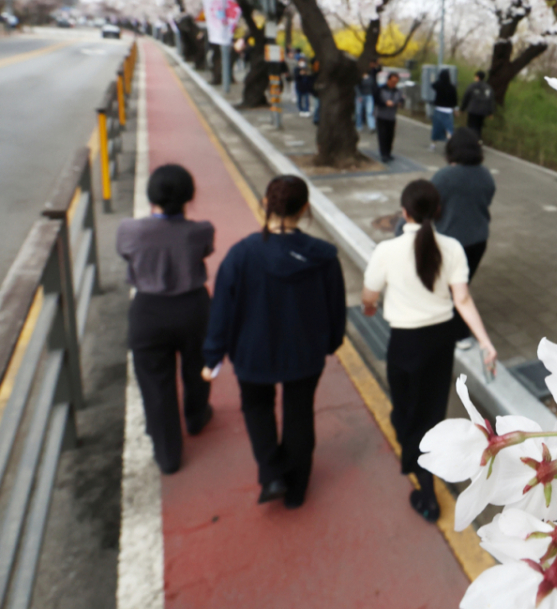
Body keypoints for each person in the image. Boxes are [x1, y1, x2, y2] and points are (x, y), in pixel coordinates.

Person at [202, 176, 346, 509]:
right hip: (304, 351)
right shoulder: (323, 257)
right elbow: (335, 306)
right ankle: (297, 489)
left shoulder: (240, 256)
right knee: (299, 414)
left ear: (266, 204)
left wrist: (213, 356)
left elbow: (221, 311)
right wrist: (330, 342)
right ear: (305, 209)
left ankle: (272, 474)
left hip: (253, 352)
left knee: (256, 408)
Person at [362, 180, 497, 522]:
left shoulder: (386, 251)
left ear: (403, 212)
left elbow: (369, 296)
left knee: (406, 406)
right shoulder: (452, 248)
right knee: (431, 410)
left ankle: (426, 489)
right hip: (440, 341)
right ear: (439, 211)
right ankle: (423, 455)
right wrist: (485, 341)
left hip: (404, 342)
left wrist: (369, 309)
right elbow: (462, 299)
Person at [116, 165, 215, 475]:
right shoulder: (202, 230)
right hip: (193, 309)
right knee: (197, 367)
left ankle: (168, 454)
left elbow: (126, 255)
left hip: (149, 312)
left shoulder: (129, 230)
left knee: (156, 386)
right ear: (189, 196)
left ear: (151, 196)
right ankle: (197, 416)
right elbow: (205, 252)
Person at [428, 127, 495, 281]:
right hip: (479, 241)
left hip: (450, 242)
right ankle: (460, 303)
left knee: (445, 287)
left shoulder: (444, 177)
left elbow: (428, 206)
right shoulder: (486, 175)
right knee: (463, 282)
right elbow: (487, 200)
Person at [375, 72, 403, 162]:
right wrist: (385, 103)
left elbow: (401, 101)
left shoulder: (398, 91)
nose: (394, 83)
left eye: (396, 82)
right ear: (388, 80)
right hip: (381, 116)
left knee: (390, 136)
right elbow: (376, 101)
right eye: (393, 81)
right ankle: (383, 154)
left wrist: (399, 103)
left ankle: (388, 153)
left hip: (391, 117)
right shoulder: (380, 89)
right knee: (382, 135)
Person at [459, 70, 496, 136]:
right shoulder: (488, 87)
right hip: (483, 111)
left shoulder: (472, 86)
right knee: (478, 127)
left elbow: (466, 97)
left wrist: (462, 109)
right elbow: (491, 100)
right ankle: (477, 140)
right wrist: (490, 113)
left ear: (477, 77)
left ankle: (470, 140)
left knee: (470, 126)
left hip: (473, 109)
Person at [429, 68, 457, 152]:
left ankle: (433, 145)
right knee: (449, 128)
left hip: (438, 110)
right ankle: (450, 146)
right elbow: (455, 100)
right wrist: (455, 109)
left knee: (436, 128)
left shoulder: (438, 85)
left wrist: (434, 78)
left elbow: (432, 85)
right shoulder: (452, 87)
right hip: (448, 111)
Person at [356, 63, 380, 132]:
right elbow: (356, 87)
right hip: (360, 96)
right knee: (358, 112)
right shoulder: (359, 78)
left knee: (369, 112)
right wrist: (359, 95)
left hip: (369, 96)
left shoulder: (370, 78)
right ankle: (359, 126)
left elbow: (373, 87)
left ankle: (372, 127)